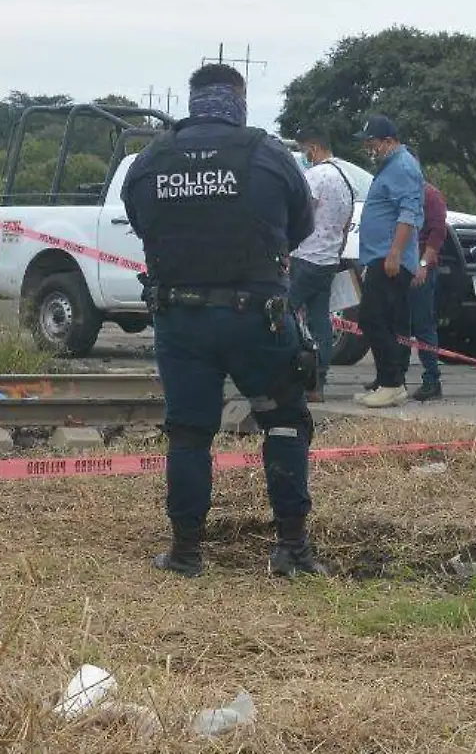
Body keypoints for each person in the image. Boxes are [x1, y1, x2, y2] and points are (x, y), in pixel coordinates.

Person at [122, 63, 328, 578]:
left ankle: (187, 552)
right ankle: (292, 548)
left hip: (180, 319)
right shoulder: (268, 153)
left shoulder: (150, 160)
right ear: (237, 99)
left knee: (189, 433)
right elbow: (301, 224)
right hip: (257, 318)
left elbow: (140, 222)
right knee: (283, 423)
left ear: (193, 101)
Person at [353, 115, 424, 409]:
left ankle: (393, 383)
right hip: (380, 256)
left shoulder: (403, 167)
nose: (369, 149)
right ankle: (386, 381)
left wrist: (395, 252)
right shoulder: (390, 167)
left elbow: (409, 213)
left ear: (388, 141)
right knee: (381, 320)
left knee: (372, 319)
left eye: (372, 143)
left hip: (389, 258)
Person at [287, 131, 356, 402]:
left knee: (284, 314)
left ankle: (287, 376)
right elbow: (347, 222)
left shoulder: (315, 176)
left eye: (305, 152)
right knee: (320, 322)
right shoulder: (348, 178)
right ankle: (318, 383)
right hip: (328, 260)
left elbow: (302, 212)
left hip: (305, 257)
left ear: (313, 149)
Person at [406, 177, 450, 402]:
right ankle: (393, 378)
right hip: (401, 266)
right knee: (398, 325)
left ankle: (432, 379)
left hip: (420, 267)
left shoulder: (430, 195)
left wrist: (423, 264)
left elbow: (437, 232)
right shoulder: (401, 192)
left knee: (423, 325)